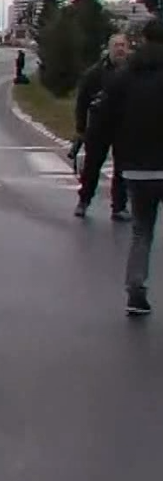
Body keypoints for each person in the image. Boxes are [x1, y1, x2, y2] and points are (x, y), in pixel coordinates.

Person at [87, 19, 163, 315]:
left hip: (136, 166)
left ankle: (135, 289)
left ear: (141, 40)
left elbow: (104, 117)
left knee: (141, 231)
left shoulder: (125, 76)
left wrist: (92, 146)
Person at [74, 34, 132, 221]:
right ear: (109, 48)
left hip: (125, 126)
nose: (120, 49)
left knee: (122, 168)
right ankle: (83, 201)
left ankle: (119, 207)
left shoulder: (133, 71)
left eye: (123, 45)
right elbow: (82, 100)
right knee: (92, 166)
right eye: (116, 45)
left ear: (128, 48)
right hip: (99, 125)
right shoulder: (96, 72)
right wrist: (81, 128)